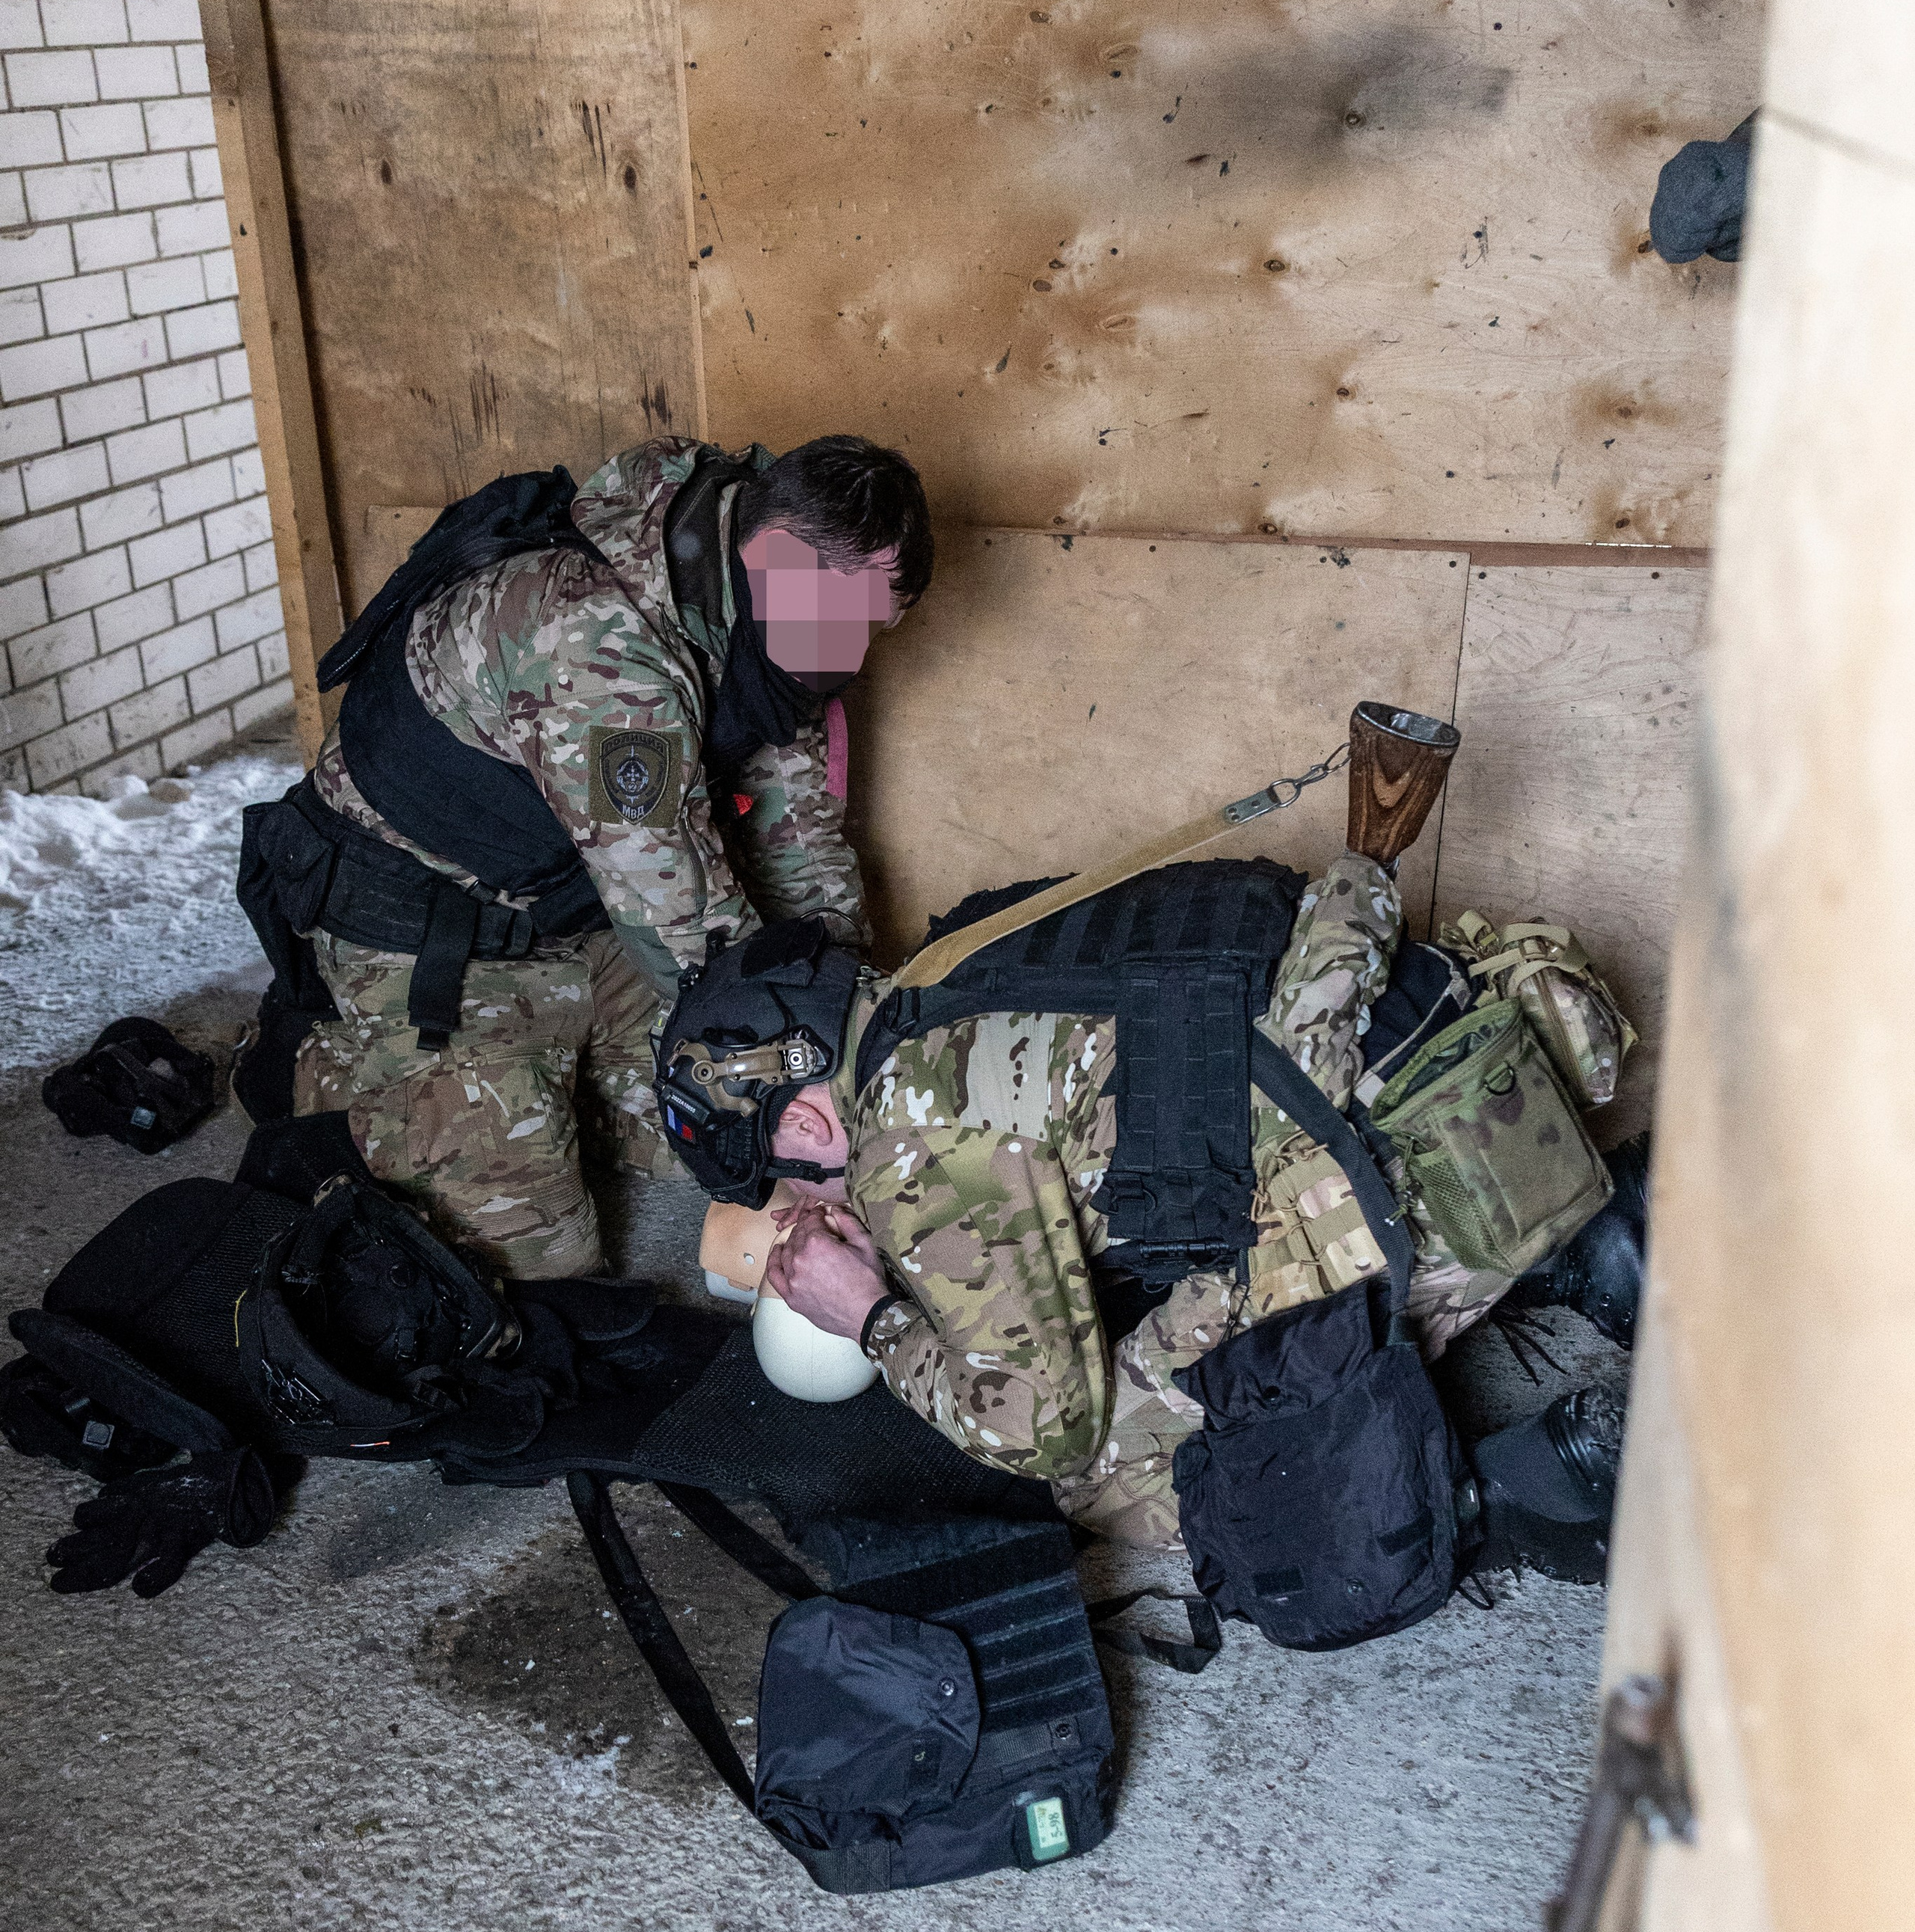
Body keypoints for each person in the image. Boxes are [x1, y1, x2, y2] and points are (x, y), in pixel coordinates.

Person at [650, 837, 1644, 1574]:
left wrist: (869, 1315)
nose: (803, 1201)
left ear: (815, 1128)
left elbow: (1046, 1423)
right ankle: (1595, 1246)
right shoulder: (955, 954)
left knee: (1104, 1480)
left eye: (788, 1180)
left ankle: (1522, 1489)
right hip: (1492, 1076)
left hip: (1423, 1190)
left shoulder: (911, 1141)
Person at [238, 434, 932, 1278]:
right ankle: (323, 1066)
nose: (855, 653)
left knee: (716, 1138)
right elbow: (684, 922)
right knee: (541, 1264)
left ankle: (560, 1077)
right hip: (427, 944)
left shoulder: (758, 620)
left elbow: (802, 846)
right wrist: (792, 1071)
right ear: (780, 554)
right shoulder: (599, 648)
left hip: (576, 914)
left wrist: (848, 1033)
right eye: (852, 618)